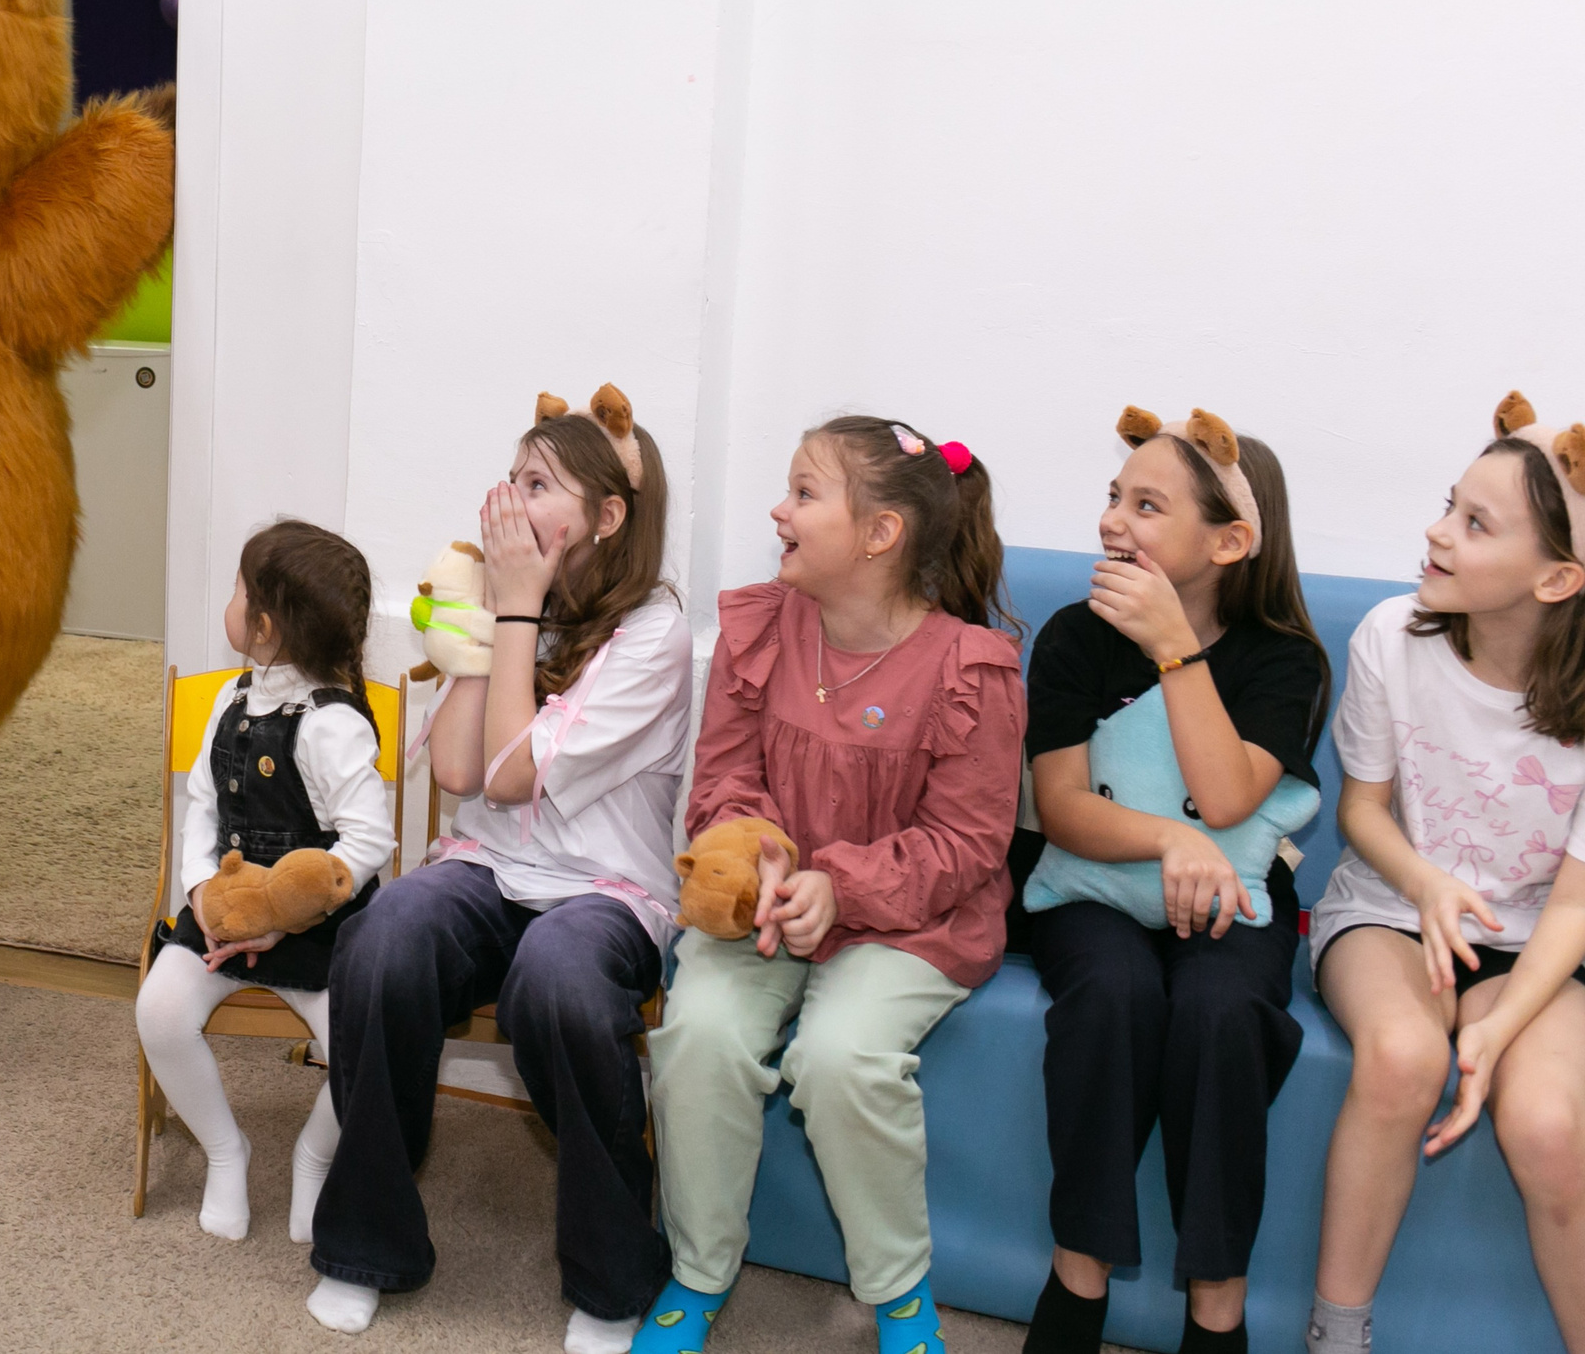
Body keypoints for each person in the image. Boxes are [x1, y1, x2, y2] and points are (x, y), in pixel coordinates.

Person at [307, 387, 686, 1354]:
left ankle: (613, 1273)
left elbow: (517, 774)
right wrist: (481, 628)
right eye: (510, 476)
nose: (509, 501)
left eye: (537, 483)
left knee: (554, 982)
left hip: (603, 893)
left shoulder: (653, 634)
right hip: (486, 866)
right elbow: (460, 774)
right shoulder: (510, 607)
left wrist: (512, 609)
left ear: (607, 518)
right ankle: (366, 1242)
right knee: (382, 939)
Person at [637, 417, 1024, 1354]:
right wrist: (760, 851)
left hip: (908, 921)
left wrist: (838, 889)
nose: (780, 508)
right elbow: (723, 778)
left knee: (842, 1058)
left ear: (880, 533)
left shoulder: (971, 671)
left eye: (805, 493)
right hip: (766, 906)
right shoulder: (762, 627)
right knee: (697, 1035)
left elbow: (966, 842)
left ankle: (900, 1299)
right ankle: (697, 1273)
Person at [1016, 409, 1330, 1354]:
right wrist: (1167, 842)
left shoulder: (1287, 659)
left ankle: (1217, 1309)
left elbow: (1230, 795)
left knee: (1223, 1014)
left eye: (1147, 504)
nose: (1114, 519)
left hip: (1235, 906)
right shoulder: (1073, 634)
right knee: (1111, 993)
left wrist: (1174, 650)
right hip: (1091, 888)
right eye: (1115, 496)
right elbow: (1063, 807)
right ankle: (1078, 1283)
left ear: (1229, 541)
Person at [1307, 394, 1585, 1353]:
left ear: (1557, 577)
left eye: (1476, 523)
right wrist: (1425, 884)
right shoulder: (1392, 634)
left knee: (1548, 1124)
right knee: (1403, 1056)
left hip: (1540, 943)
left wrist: (1501, 1023)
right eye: (1447, 504)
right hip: (1389, 909)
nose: (1437, 532)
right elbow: (1360, 810)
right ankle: (1337, 1333)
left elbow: (1577, 901)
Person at [136, 518, 395, 1243]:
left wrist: (288, 913)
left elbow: (371, 836)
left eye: (238, 590)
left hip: (316, 924)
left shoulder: (330, 724)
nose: (231, 602)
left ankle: (315, 1158)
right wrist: (198, 896)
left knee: (364, 1046)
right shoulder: (230, 698)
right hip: (224, 908)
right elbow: (201, 806)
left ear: (265, 624)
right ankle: (228, 1150)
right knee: (159, 1011)